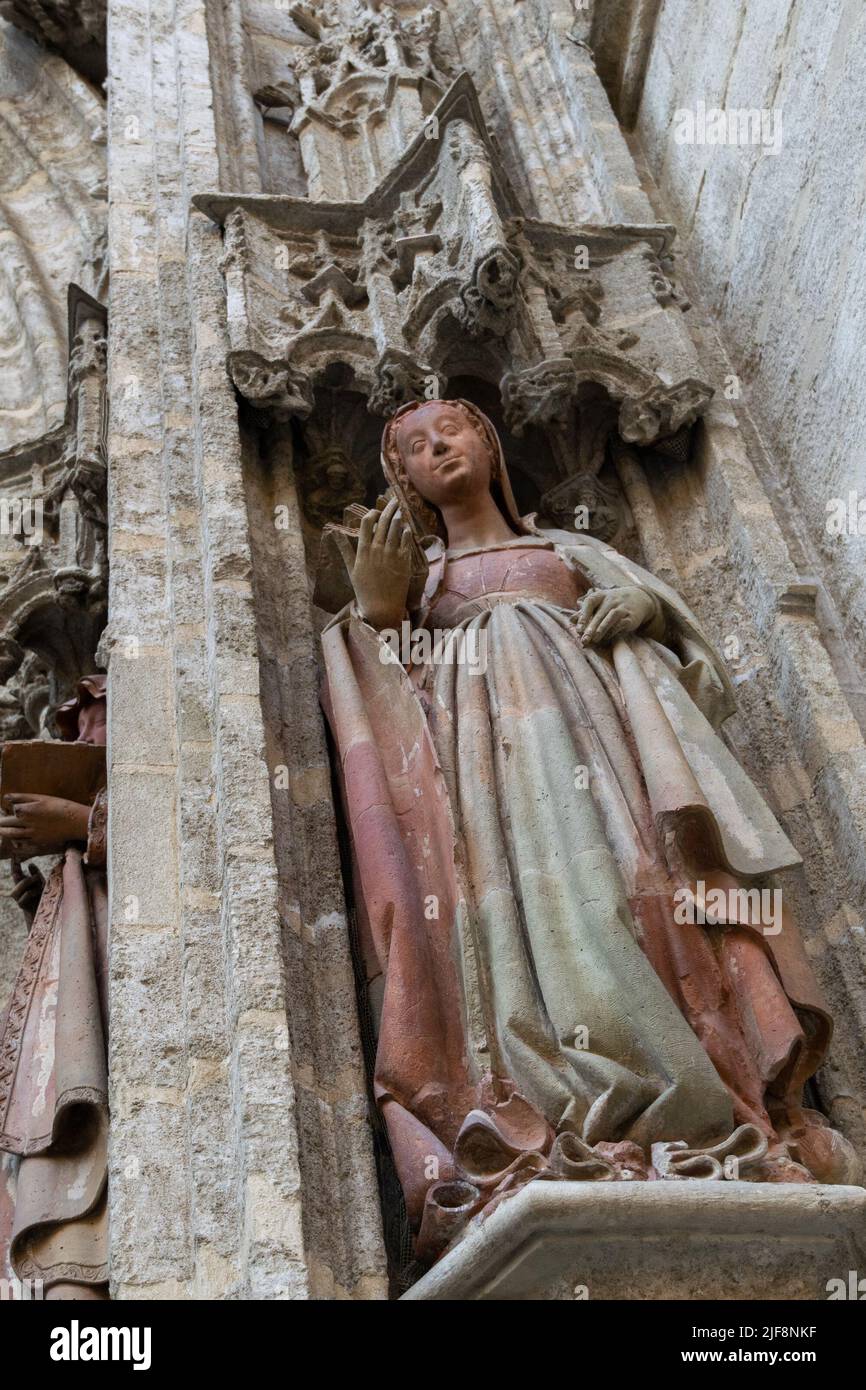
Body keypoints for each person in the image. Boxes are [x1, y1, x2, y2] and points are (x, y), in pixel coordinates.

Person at [321, 399, 857, 1263]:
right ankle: (564, 1103)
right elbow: (386, 737)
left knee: (646, 893)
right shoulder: (422, 587)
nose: (436, 448)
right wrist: (382, 616)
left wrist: (639, 615)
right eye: (414, 447)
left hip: (608, 749)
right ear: (405, 480)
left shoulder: (572, 553)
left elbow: (699, 674)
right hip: (492, 787)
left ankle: (714, 1095)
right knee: (541, 921)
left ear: (490, 447)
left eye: (450, 430)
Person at [0, 675, 108, 1298]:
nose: (85, 735)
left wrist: (78, 820)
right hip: (69, 985)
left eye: (95, 725)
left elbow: (200, 824)